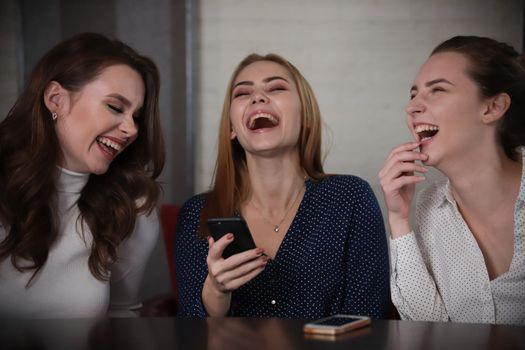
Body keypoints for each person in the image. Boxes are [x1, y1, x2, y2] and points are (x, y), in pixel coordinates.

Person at [175, 53, 389, 317]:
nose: (258, 97)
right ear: (232, 127)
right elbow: (190, 334)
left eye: (276, 87)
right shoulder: (198, 213)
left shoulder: (351, 198)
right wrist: (216, 292)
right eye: (242, 93)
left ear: (305, 116)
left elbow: (367, 319)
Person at [0, 32, 165, 318]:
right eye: (115, 107)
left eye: (136, 116)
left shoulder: (131, 207)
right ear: (56, 100)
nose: (132, 129)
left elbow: (124, 314)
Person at [379, 36, 525, 325]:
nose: (413, 108)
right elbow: (426, 328)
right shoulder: (427, 208)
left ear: (492, 107)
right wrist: (398, 218)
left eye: (437, 90)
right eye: (413, 95)